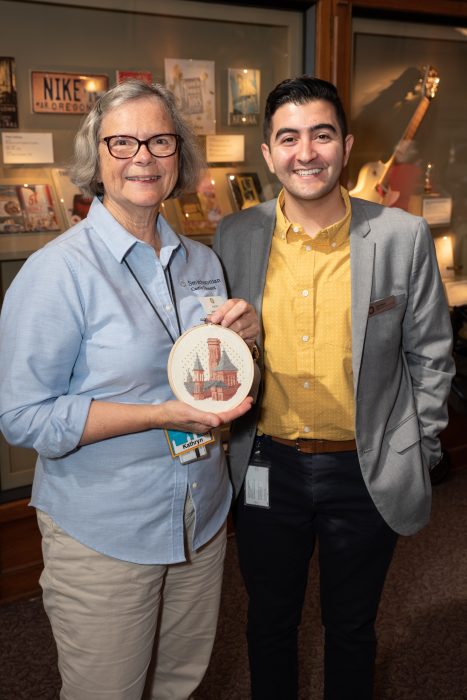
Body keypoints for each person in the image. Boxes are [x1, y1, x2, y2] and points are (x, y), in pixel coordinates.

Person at [0, 79, 259, 700]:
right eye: (123, 141)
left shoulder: (202, 263)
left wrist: (246, 342)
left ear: (178, 156)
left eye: (159, 140)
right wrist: (156, 415)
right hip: (107, 527)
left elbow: (208, 371)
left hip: (200, 513)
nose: (142, 156)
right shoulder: (57, 272)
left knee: (180, 681)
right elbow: (23, 418)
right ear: (97, 156)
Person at [213, 75, 455, 699]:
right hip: (268, 465)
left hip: (366, 469)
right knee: (269, 624)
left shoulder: (400, 237)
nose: (305, 152)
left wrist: (420, 451)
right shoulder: (236, 236)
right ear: (268, 154)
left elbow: (430, 353)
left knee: (351, 627)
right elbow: (224, 349)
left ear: (345, 146)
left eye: (321, 134)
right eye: (287, 138)